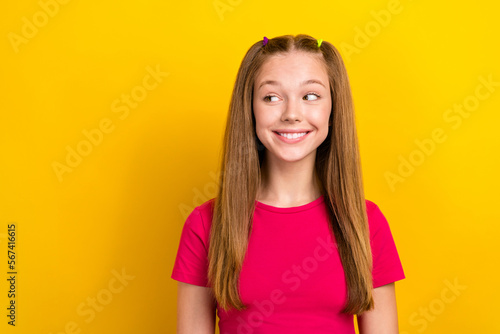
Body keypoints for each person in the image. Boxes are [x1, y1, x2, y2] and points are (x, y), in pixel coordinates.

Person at [171, 34, 406, 334]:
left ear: (333, 111)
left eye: (310, 96)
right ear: (250, 109)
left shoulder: (366, 223)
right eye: (271, 97)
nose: (292, 114)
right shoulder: (206, 224)